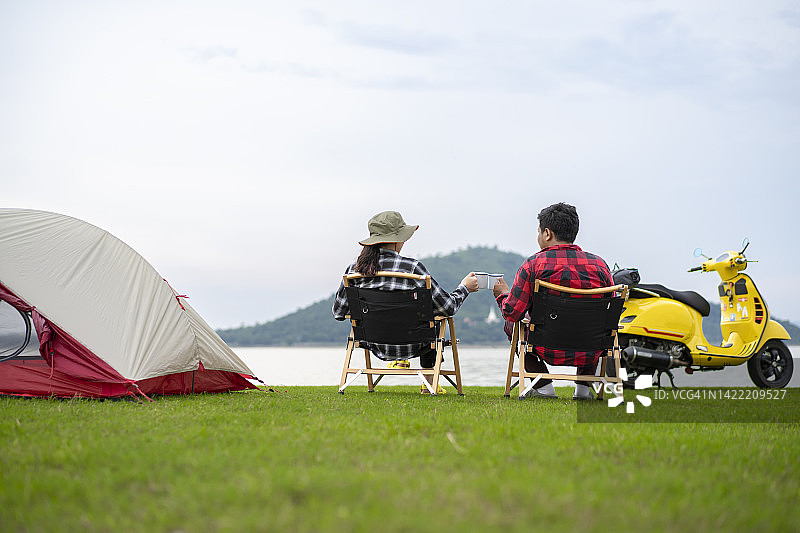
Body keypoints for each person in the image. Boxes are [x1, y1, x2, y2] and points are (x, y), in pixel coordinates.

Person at [333, 211, 479, 393]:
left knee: (426, 314)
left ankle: (415, 374)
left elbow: (338, 313)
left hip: (371, 342)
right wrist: (464, 288)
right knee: (431, 316)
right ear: (397, 240)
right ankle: (429, 382)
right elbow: (448, 307)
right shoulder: (412, 268)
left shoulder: (354, 271)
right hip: (416, 344)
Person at [492, 202, 613, 399]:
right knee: (596, 324)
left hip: (546, 346)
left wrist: (502, 294)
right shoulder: (600, 265)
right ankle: (583, 390)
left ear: (547, 233)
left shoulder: (532, 265)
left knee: (511, 325)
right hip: (591, 348)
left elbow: (512, 312)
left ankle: (543, 387)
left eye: (539, 232)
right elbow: (610, 314)